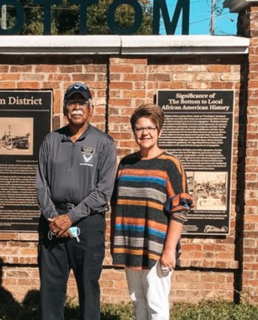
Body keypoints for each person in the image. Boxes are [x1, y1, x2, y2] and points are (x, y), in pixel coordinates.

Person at [35, 82, 117, 320]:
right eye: (72, 103)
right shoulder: (51, 140)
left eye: (82, 103)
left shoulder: (103, 143)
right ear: (64, 109)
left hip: (88, 223)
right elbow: (41, 183)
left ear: (90, 108)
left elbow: (103, 191)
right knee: (50, 287)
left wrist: (69, 218)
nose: (77, 108)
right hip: (51, 220)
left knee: (88, 286)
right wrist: (53, 216)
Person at [111, 103, 192, 320]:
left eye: (151, 128)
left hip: (157, 247)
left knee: (156, 304)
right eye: (139, 128)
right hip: (131, 245)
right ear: (134, 131)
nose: (145, 133)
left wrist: (169, 250)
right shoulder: (126, 163)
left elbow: (180, 209)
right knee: (139, 302)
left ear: (159, 131)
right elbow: (117, 204)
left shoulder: (170, 164)